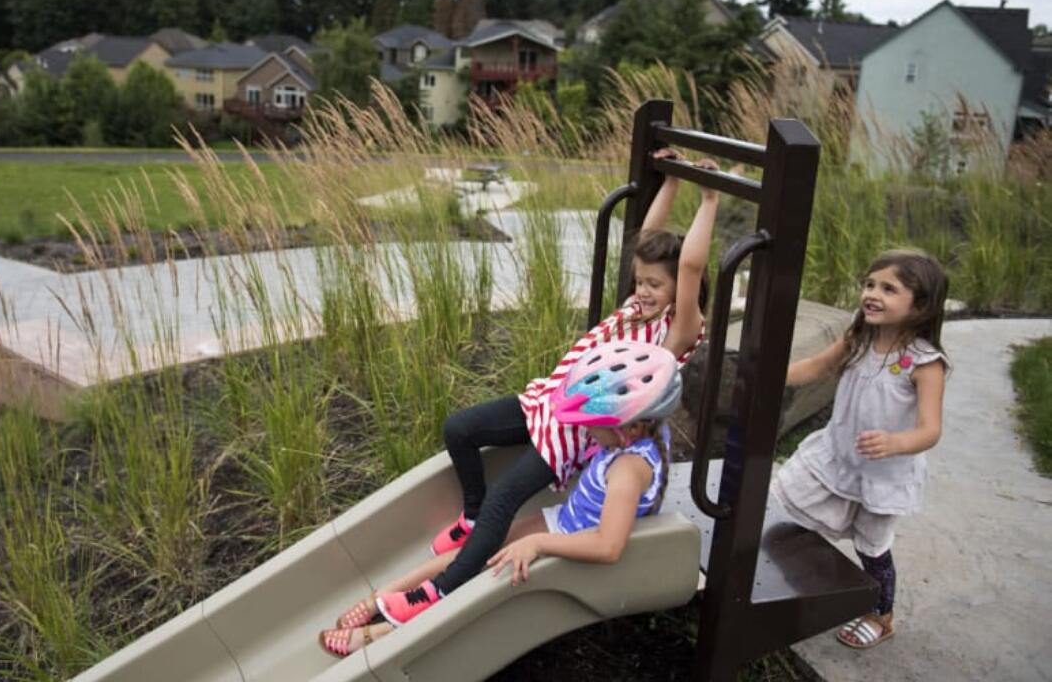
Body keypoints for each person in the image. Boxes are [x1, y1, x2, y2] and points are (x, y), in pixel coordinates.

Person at [348, 149, 720, 630]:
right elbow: (646, 245)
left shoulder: (675, 334)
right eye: (641, 281)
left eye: (654, 285)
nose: (644, 289)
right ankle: (472, 516)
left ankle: (439, 590)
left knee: (506, 500)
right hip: (546, 401)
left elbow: (688, 268)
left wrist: (709, 199)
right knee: (459, 429)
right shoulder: (636, 306)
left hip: (579, 429)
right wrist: (668, 182)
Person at [320, 342, 683, 656]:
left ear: (630, 427)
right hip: (564, 524)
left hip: (571, 547)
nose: (586, 430)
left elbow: (608, 546)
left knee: (484, 572)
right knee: (476, 549)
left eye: (592, 424)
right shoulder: (637, 436)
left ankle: (382, 634)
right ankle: (382, 597)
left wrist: (541, 543)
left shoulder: (629, 470)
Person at [771, 249, 950, 650]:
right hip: (838, 454)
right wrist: (771, 376)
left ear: (920, 305)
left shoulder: (924, 363)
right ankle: (792, 584)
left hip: (884, 473)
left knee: (872, 548)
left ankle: (881, 615)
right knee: (792, 505)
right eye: (870, 284)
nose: (872, 293)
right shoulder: (859, 338)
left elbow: (930, 429)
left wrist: (897, 442)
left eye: (889, 288)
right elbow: (817, 366)